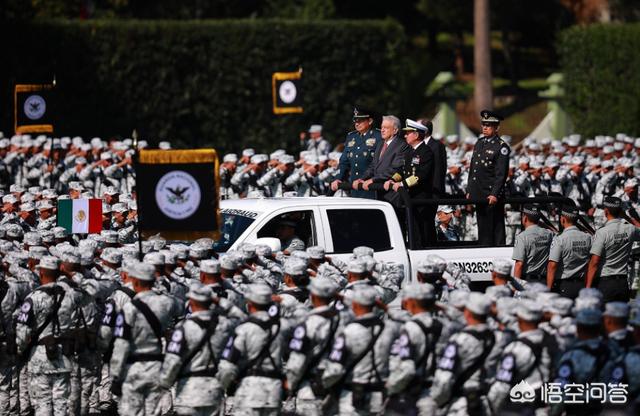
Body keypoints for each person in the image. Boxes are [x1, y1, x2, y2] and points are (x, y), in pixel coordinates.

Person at [109, 261, 179, 415]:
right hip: (156, 365)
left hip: (133, 367)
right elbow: (180, 310)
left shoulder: (129, 308)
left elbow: (121, 345)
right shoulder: (167, 302)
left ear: (134, 281)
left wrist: (115, 375)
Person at [384, 119, 435, 247]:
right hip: (410, 197)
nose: (405, 135)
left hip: (421, 198)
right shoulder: (409, 151)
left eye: (409, 133)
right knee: (413, 230)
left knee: (422, 230)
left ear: (417, 135)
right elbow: (403, 170)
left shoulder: (426, 152)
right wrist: (393, 179)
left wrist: (402, 184)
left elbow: (421, 175)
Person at [466, 110, 510, 246]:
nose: (485, 128)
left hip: (491, 194)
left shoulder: (501, 147)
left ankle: (496, 254)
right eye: (483, 125)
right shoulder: (479, 143)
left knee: (494, 228)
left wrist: (494, 193)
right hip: (479, 192)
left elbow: (501, 174)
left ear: (496, 128)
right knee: (482, 227)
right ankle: (484, 250)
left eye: (489, 125)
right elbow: (473, 169)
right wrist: (469, 190)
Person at [586, 196, 640, 302]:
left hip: (605, 282)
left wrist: (588, 286)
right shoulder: (630, 229)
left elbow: (594, 262)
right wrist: (626, 217)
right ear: (620, 211)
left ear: (606, 211)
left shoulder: (602, 232)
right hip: (623, 282)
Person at [352, 115, 409, 202]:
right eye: (382, 127)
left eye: (386, 128)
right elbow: (373, 165)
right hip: (378, 192)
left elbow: (395, 169)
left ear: (395, 130)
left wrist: (373, 180)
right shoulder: (380, 144)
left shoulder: (402, 145)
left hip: (392, 194)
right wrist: (362, 178)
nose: (382, 130)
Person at [331, 108, 383, 199]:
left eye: (361, 120)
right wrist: (338, 178)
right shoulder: (351, 137)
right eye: (355, 121)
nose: (357, 123)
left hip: (371, 186)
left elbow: (379, 163)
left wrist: (365, 179)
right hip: (354, 186)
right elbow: (344, 161)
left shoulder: (378, 136)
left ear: (370, 121)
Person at [546, 205, 592, 298]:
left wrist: (548, 289)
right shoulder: (588, 237)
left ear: (563, 219)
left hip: (564, 286)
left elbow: (552, 266)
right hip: (582, 285)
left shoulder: (560, 239)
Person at [512, 205, 554, 283]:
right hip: (543, 280)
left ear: (525, 218)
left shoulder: (522, 237)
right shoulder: (548, 234)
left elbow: (519, 265)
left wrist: (515, 287)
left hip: (528, 281)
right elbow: (557, 233)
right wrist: (540, 224)